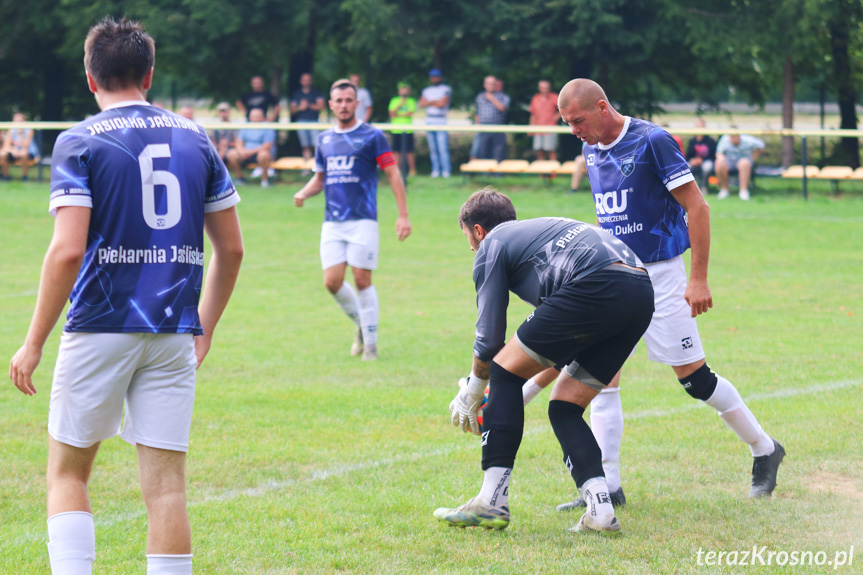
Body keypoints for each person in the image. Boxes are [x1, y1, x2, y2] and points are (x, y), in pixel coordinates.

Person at [8, 18, 243, 575]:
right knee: (165, 490)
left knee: (68, 473)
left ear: (91, 78)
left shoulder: (80, 140)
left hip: (99, 324)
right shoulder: (196, 137)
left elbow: (67, 251)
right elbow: (231, 250)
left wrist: (33, 341)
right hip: (171, 331)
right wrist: (203, 326)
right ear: (150, 74)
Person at [548, 78, 783, 511]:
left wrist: (698, 279)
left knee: (695, 380)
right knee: (601, 380)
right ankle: (607, 486)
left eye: (578, 120)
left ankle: (765, 449)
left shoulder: (653, 141)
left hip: (662, 278)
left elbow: (697, 207)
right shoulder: (590, 148)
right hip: (615, 278)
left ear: (602, 107)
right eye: (567, 124)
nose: (573, 131)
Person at [433, 188, 655, 535]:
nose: (471, 248)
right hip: (640, 291)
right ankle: (601, 511)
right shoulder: (542, 236)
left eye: (468, 237)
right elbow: (557, 346)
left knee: (503, 371)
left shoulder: (493, 244)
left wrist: (474, 390)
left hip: (597, 284)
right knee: (565, 406)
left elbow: (490, 340)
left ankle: (491, 500)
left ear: (478, 230)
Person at [293, 79, 411, 361]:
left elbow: (393, 174)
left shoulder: (372, 136)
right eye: (339, 101)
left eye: (349, 100)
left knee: (361, 279)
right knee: (331, 282)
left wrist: (403, 215)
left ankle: (370, 345)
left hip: (363, 220)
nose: (344, 105)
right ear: (331, 105)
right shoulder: (324, 139)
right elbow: (320, 179)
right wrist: (303, 193)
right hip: (332, 222)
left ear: (357, 104)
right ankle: (362, 323)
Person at [229, 107, 276, 188]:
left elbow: (267, 145)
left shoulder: (267, 127)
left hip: (259, 152)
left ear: (262, 117)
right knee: (232, 154)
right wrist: (241, 151)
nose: (255, 118)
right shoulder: (246, 126)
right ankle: (239, 178)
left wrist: (250, 152)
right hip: (245, 153)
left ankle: (264, 180)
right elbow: (239, 142)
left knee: (264, 155)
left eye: (257, 116)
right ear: (250, 117)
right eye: (253, 116)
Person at [419, 68, 452, 178]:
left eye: (437, 76)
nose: (435, 79)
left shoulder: (445, 89)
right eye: (433, 77)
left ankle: (446, 170)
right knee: (433, 148)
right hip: (430, 119)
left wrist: (430, 102)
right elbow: (421, 103)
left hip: (441, 120)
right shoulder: (426, 90)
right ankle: (436, 170)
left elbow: (442, 103)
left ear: (440, 77)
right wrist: (435, 101)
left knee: (442, 147)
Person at [715, 130, 765, 200]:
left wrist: (752, 158)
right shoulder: (725, 139)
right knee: (719, 163)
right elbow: (719, 153)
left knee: (744, 163)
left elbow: (761, 145)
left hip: (744, 160)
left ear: (739, 136)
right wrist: (721, 158)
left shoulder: (748, 140)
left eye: (735, 136)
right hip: (729, 161)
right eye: (731, 137)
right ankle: (724, 190)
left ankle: (743, 191)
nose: (733, 139)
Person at [290, 73, 326, 166]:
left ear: (311, 81)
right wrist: (300, 107)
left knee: (316, 145)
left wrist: (308, 105)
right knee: (305, 146)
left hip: (314, 121)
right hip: (301, 122)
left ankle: (317, 166)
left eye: (308, 79)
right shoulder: (297, 93)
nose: (306, 81)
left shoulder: (316, 92)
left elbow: (321, 106)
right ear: (301, 81)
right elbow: (292, 110)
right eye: (304, 79)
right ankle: (307, 167)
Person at [474, 75, 510, 161]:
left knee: (498, 153)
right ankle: (485, 173)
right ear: (485, 84)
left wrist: (492, 99)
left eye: (493, 84)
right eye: (489, 84)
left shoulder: (503, 97)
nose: (491, 86)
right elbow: (477, 113)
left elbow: (502, 108)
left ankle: (498, 173)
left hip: (497, 129)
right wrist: (477, 127)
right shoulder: (480, 97)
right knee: (484, 153)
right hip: (484, 129)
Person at [1, 112, 41, 181]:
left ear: (24, 121)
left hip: (28, 153)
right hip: (15, 153)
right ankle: (6, 176)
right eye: (15, 121)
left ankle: (25, 177)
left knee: (23, 153)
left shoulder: (28, 130)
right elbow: (6, 146)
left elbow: (25, 146)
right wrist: (13, 150)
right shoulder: (11, 130)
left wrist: (20, 134)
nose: (17, 123)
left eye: (19, 121)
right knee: (2, 154)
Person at [388, 82, 417, 177]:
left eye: (406, 89)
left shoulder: (412, 101)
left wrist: (397, 114)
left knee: (409, 151)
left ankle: (412, 171)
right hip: (396, 129)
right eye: (402, 89)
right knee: (397, 151)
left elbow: (410, 113)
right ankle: (397, 171)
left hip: (408, 129)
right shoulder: (395, 100)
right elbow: (392, 114)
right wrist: (401, 103)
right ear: (399, 91)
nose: (404, 92)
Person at [528, 80, 560, 162]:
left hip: (551, 128)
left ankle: (553, 173)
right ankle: (542, 173)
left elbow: (563, 109)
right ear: (539, 88)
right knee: (539, 151)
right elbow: (533, 114)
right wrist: (531, 128)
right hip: (538, 129)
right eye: (543, 88)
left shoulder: (554, 97)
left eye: (547, 88)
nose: (545, 90)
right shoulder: (535, 98)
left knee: (551, 151)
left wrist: (556, 117)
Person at [685, 117, 717, 192]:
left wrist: (702, 160)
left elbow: (713, 156)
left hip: (706, 161)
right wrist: (693, 160)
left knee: (707, 167)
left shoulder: (710, 141)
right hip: (695, 161)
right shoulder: (692, 141)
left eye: (701, 127)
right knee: (686, 167)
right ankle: (690, 189)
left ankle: (704, 187)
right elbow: (688, 155)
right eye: (698, 127)